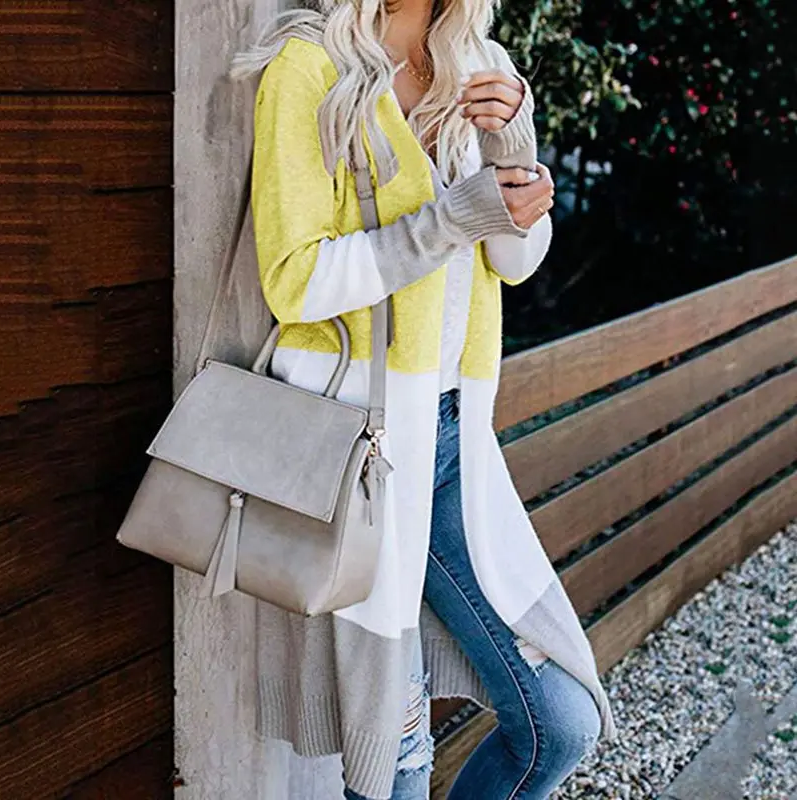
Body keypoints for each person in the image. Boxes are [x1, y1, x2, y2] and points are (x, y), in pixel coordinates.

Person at [231, 0, 616, 797]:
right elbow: (295, 280)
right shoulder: (311, 66)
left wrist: (514, 149)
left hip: (450, 441)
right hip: (354, 459)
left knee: (562, 722)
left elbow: (515, 261)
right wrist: (450, 219)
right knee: (397, 766)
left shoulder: (483, 64)